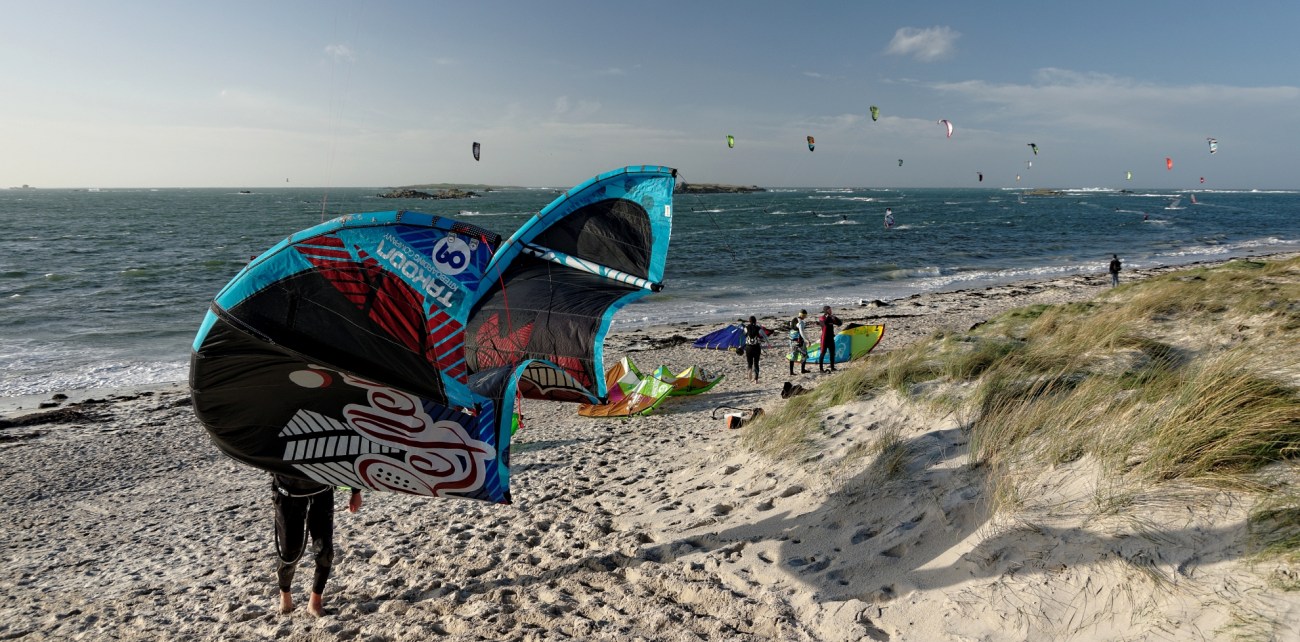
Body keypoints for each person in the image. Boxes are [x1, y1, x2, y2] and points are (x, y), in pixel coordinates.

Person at [273, 474, 362, 617]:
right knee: (290, 553)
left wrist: (355, 491)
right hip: (287, 491)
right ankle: (285, 595)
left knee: (325, 552)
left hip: (322, 491)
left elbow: (349, 453)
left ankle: (315, 603)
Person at [816, 305, 842, 372]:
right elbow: (824, 324)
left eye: (831, 309)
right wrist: (829, 317)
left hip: (831, 338)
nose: (831, 311)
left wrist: (835, 318)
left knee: (832, 353)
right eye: (829, 310)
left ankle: (832, 368)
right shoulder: (822, 318)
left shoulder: (831, 318)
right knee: (823, 353)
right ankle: (821, 369)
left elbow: (840, 323)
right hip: (824, 339)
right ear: (826, 311)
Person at [742, 315, 764, 382]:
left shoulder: (746, 328)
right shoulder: (758, 328)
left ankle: (749, 374)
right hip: (756, 347)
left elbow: (743, 335)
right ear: (756, 321)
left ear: (749, 321)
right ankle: (756, 379)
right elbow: (762, 336)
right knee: (756, 363)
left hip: (748, 347)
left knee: (749, 363)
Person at [787, 310, 809, 376]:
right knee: (804, 354)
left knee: (792, 356)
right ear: (804, 315)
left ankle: (791, 372)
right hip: (799, 342)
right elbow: (802, 332)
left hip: (791, 341)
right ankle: (803, 370)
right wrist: (807, 340)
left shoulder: (793, 320)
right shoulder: (801, 322)